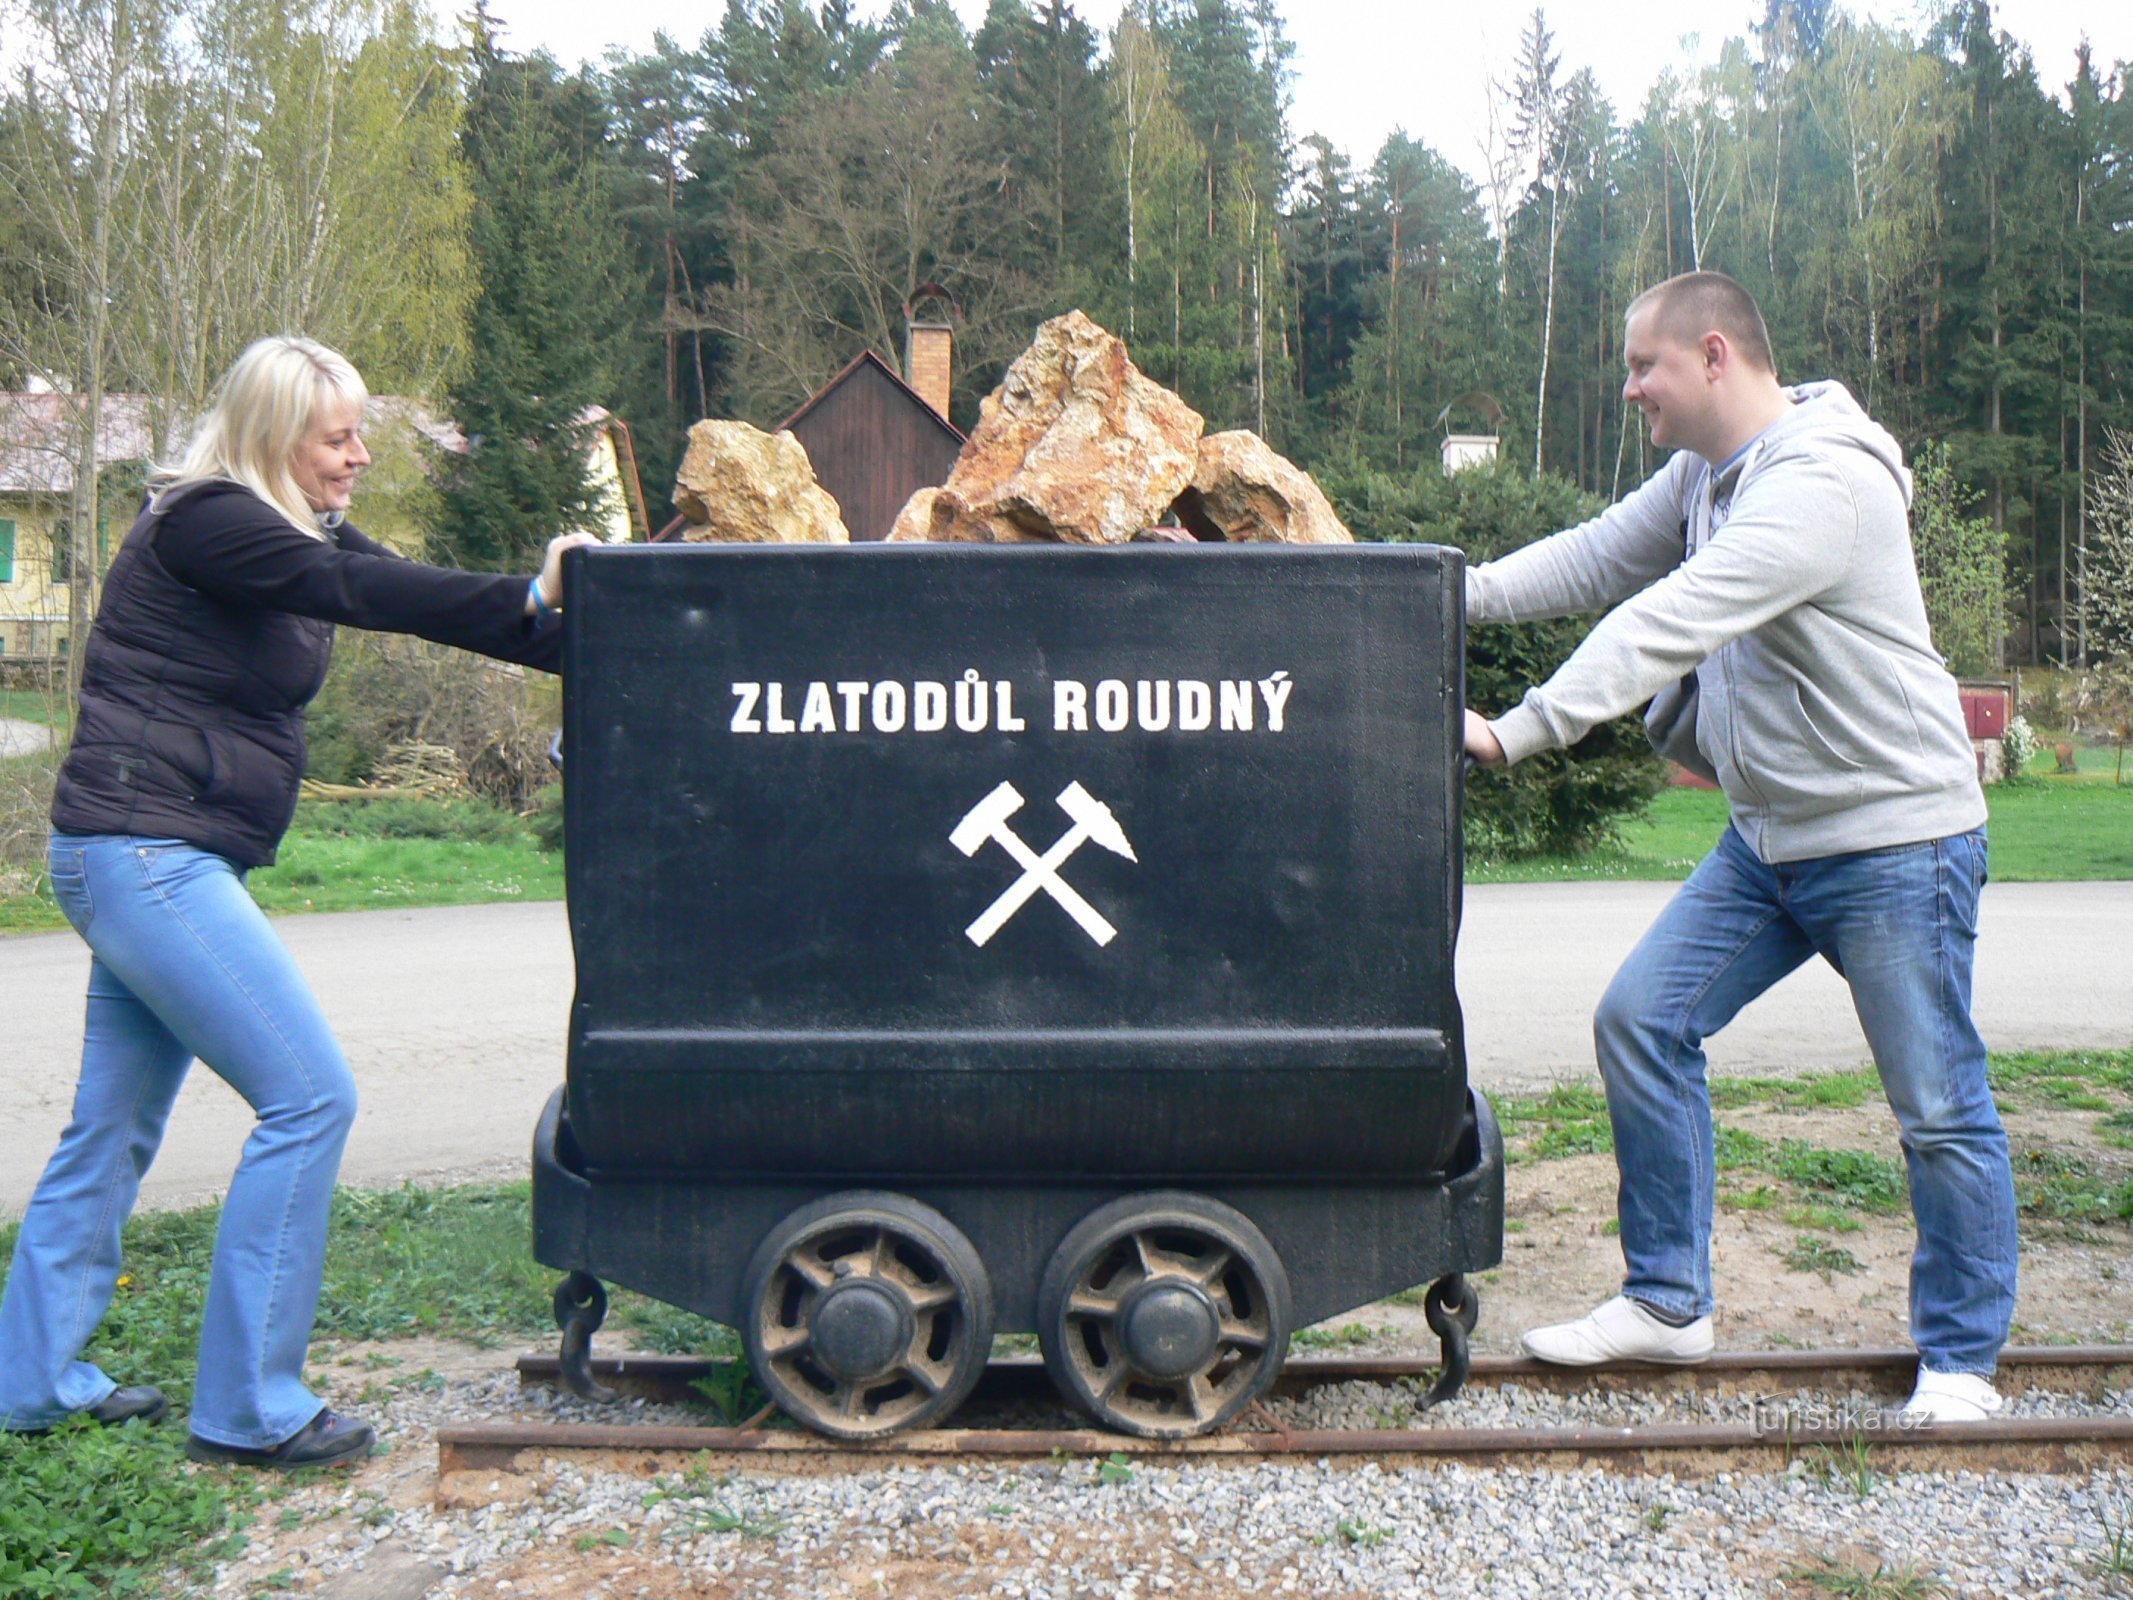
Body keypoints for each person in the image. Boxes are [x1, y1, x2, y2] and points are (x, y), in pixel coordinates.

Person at [0, 335, 598, 1467]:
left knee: (111, 1126)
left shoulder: (288, 531)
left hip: (133, 854)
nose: (361, 456)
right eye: (339, 437)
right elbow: (358, 590)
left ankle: (33, 1381)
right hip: (143, 854)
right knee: (309, 1097)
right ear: (277, 438)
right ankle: (249, 1405)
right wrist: (528, 581)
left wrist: (617, 635)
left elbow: (426, 608)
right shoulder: (208, 519)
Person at [1462, 271, 2017, 1423]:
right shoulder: (1703, 476)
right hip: (1771, 841)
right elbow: (1589, 560)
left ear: (1713, 356)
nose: (1629, 390)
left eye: (1642, 367)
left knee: (1936, 1104)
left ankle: (1961, 1365)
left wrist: (1521, 730)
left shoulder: (1824, 484)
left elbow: (1672, 614)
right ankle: (1669, 1303)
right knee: (1642, 1018)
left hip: (1895, 841)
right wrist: (1420, 593)